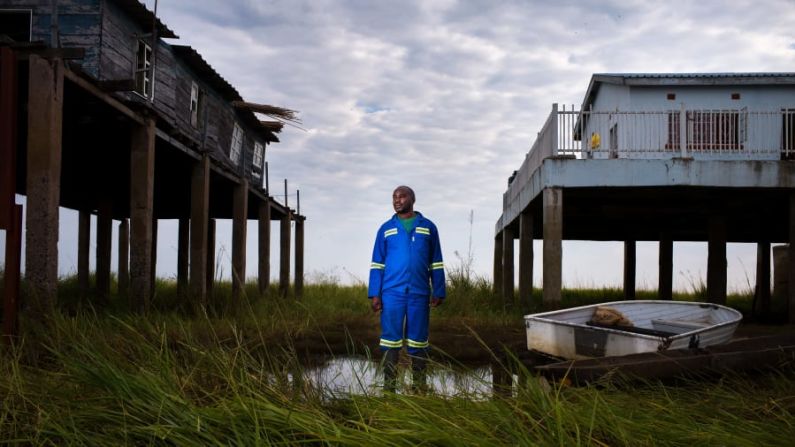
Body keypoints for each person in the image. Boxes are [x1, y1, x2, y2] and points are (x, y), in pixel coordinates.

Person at [368, 185, 446, 392]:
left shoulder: (428, 227)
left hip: (419, 293)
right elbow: (377, 263)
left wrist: (438, 289)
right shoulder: (386, 229)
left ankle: (419, 386)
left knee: (418, 340)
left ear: (412, 199)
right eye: (394, 197)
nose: (397, 200)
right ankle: (389, 387)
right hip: (392, 293)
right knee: (390, 340)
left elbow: (436, 262)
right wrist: (375, 293)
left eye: (402, 196)